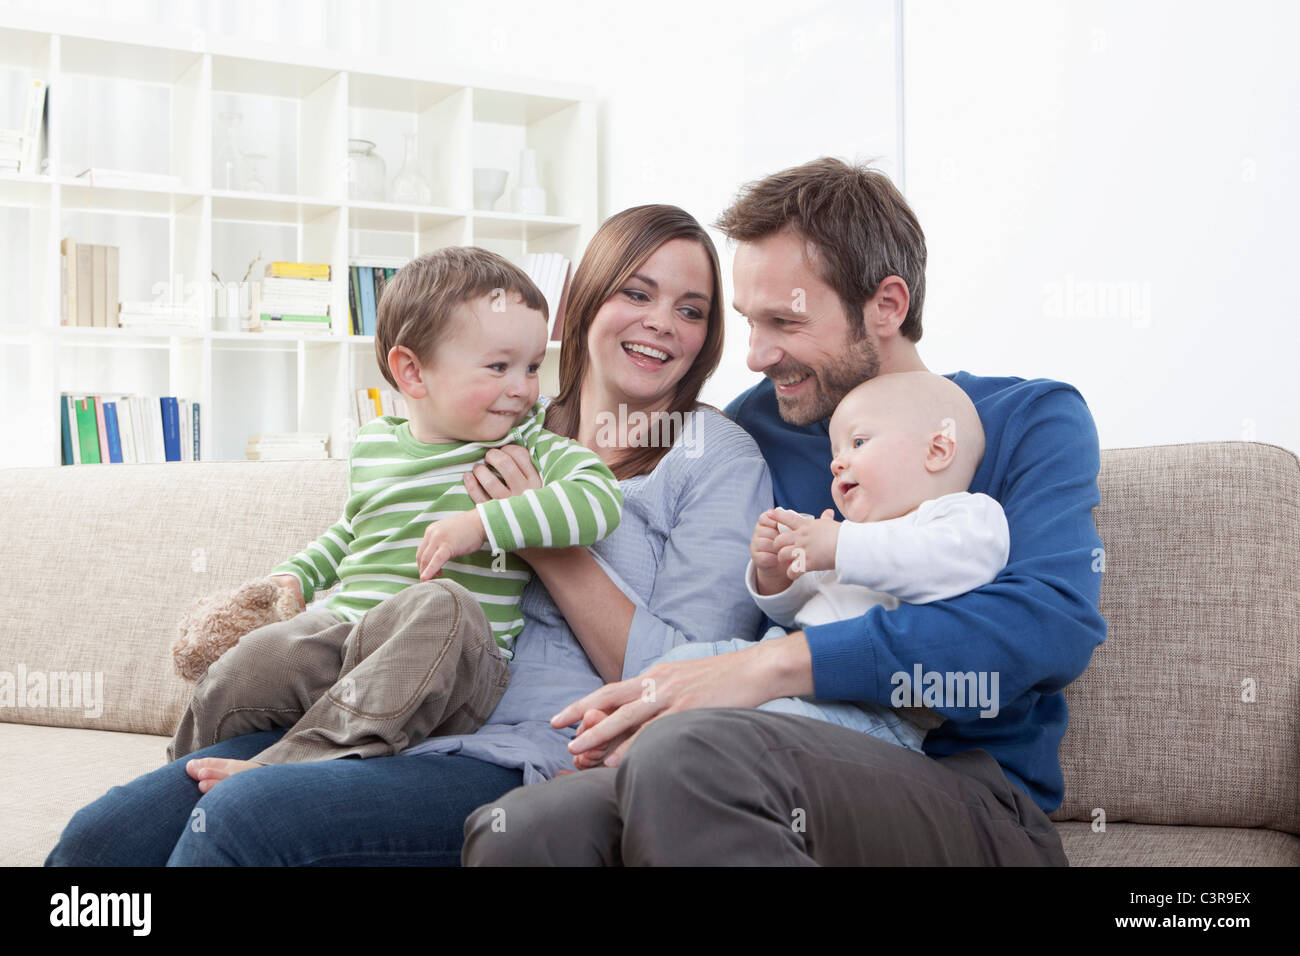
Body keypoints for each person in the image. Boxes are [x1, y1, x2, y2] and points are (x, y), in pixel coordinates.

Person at [44, 203, 771, 866]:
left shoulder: (714, 457)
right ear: (586, 301)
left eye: (693, 310)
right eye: (636, 293)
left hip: (519, 754)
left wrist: (541, 538)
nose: (662, 323)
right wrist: (293, 585)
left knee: (239, 821)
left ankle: (289, 769)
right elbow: (374, 521)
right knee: (101, 838)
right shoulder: (504, 410)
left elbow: (684, 685)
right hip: (374, 710)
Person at [462, 157, 1107, 867]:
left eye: (785, 321)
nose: (756, 355)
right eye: (745, 321)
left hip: (969, 793)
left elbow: (1048, 624)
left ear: (886, 306)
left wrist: (769, 668)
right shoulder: (755, 431)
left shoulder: (1028, 418)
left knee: (691, 754)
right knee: (526, 828)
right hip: (766, 750)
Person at [167, 247, 623, 781]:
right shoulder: (375, 445)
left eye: (531, 367)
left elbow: (599, 498)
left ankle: (286, 770)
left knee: (443, 602)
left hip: (453, 664)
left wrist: (484, 524)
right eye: (500, 366)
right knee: (255, 656)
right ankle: (178, 775)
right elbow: (352, 530)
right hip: (348, 640)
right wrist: (295, 576)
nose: (523, 387)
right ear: (412, 372)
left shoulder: (529, 445)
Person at [652, 370, 1009, 754]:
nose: (838, 464)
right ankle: (602, 743)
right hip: (786, 659)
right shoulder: (853, 531)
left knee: (753, 735)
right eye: (836, 454)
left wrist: (839, 544)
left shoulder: (967, 516)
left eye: (858, 442)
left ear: (937, 450)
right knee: (675, 665)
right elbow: (798, 612)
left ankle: (656, 764)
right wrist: (780, 573)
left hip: (873, 711)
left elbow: (939, 563)